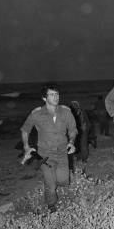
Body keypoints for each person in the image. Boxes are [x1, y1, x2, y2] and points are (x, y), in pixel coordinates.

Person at [21, 84, 77, 212]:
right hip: (45, 155)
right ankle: (51, 206)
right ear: (44, 98)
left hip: (63, 153)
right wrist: (26, 147)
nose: (56, 97)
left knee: (63, 181)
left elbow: (73, 129)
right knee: (51, 185)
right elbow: (25, 130)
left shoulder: (66, 111)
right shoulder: (36, 114)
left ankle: (52, 182)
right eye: (52, 95)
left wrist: (72, 142)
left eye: (57, 94)